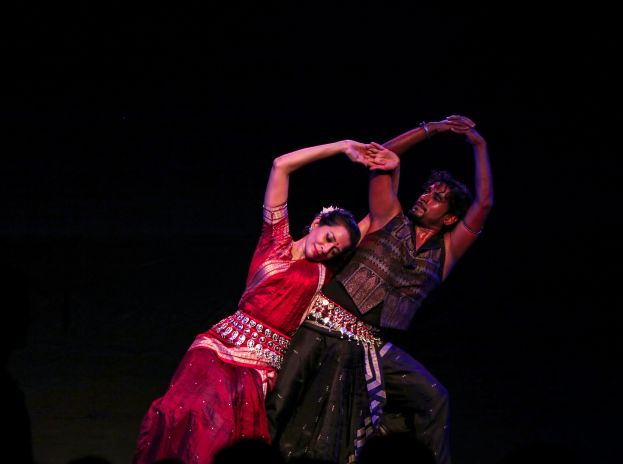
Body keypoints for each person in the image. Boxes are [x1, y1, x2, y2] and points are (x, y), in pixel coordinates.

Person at [133, 139, 387, 464]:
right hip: (217, 347)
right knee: (182, 412)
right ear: (315, 225)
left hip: (257, 367)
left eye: (336, 249)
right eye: (327, 238)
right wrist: (343, 147)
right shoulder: (275, 240)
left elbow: (378, 215)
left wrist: (389, 162)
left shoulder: (324, 272)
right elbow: (281, 165)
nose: (327, 249)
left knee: (221, 436)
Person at [267, 115, 492, 464]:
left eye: (437, 198)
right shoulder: (390, 217)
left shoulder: (447, 252)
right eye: (428, 190)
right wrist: (433, 129)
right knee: (281, 402)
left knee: (434, 397)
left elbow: (484, 205)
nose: (426, 197)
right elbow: (381, 156)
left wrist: (479, 144)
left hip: (369, 345)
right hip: (322, 325)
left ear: (449, 218)